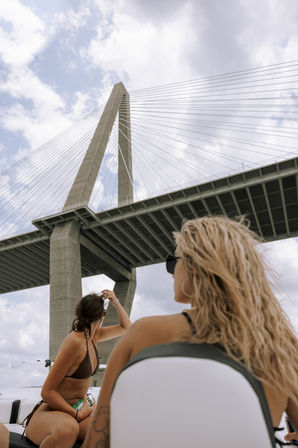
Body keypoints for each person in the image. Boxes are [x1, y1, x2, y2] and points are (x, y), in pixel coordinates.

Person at [83, 216, 298, 448]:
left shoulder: (143, 333)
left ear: (196, 265)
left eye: (173, 261)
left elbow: (97, 440)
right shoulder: (282, 346)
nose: (173, 272)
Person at [25, 289, 131, 448]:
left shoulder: (95, 336)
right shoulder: (75, 342)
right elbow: (47, 391)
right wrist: (76, 413)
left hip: (79, 411)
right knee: (68, 430)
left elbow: (126, 327)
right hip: (54, 412)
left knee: (108, 434)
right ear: (102, 315)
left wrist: (116, 302)